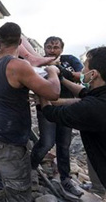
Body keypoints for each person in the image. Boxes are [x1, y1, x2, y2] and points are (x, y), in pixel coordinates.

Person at [0, 22, 61, 201]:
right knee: (20, 189)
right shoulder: (17, 66)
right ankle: (3, 192)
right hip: (6, 136)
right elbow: (53, 93)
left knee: (7, 163)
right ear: (20, 41)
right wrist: (52, 71)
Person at [40, 46, 106, 200]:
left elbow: (50, 113)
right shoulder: (105, 96)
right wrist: (62, 79)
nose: (82, 68)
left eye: (85, 65)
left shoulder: (93, 108)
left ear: (93, 74)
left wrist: (43, 89)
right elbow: (85, 93)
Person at [31, 36, 84, 197]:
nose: (52, 50)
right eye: (49, 47)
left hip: (66, 109)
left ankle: (65, 179)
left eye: (56, 47)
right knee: (46, 143)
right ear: (44, 48)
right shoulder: (39, 62)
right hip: (46, 108)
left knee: (64, 145)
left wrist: (59, 68)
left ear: (62, 48)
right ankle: (30, 169)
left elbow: (80, 75)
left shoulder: (69, 60)